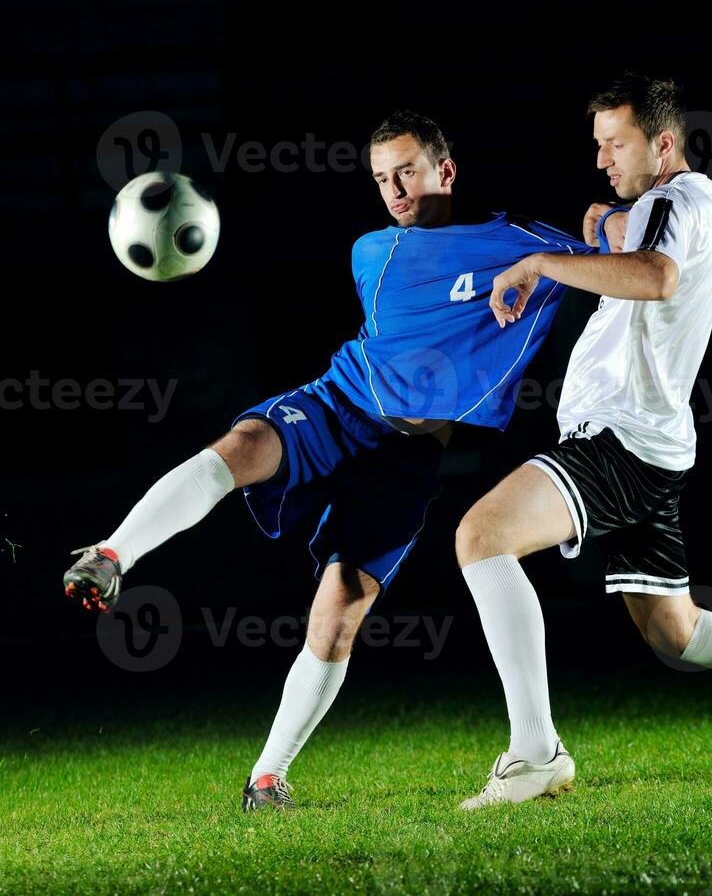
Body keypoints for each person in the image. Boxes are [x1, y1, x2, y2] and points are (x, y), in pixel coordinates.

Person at [62, 109, 598, 811]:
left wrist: (598, 228)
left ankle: (265, 778)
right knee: (241, 447)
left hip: (407, 461)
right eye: (382, 178)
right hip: (338, 406)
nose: (396, 190)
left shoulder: (523, 243)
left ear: (447, 170)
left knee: (339, 610)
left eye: (407, 170)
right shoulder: (374, 251)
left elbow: (607, 256)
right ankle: (112, 554)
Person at [456, 73, 712, 809]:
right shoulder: (699, 203)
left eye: (616, 143)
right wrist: (605, 225)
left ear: (663, 143)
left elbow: (656, 276)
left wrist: (541, 262)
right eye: (597, 144)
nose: (602, 158)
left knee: (480, 537)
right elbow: (632, 241)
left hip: (621, 440)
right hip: (652, 442)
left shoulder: (671, 200)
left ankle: (534, 754)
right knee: (676, 630)